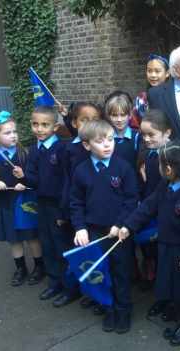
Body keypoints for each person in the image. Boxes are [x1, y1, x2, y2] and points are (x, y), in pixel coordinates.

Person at [117, 145, 180, 346]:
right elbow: (148, 207)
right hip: (166, 245)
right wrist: (129, 226)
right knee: (170, 282)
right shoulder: (164, 186)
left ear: (168, 170)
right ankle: (174, 310)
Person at [70, 120, 138, 334]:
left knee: (121, 271)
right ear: (87, 145)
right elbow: (76, 202)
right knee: (102, 272)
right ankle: (108, 308)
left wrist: (120, 224)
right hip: (94, 231)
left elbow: (131, 199)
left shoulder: (123, 167)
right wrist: (80, 227)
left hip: (119, 233)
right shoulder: (81, 171)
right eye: (100, 142)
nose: (107, 145)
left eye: (110, 140)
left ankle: (123, 309)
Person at [13, 106, 77, 307]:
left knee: (62, 247)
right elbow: (34, 180)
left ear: (55, 126)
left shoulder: (63, 149)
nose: (39, 129)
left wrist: (63, 211)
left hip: (58, 206)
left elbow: (68, 182)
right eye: (35, 124)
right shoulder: (34, 149)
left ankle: (70, 288)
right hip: (42, 204)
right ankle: (54, 282)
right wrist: (23, 177)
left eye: (44, 125)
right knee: (47, 245)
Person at [0, 111, 43, 286]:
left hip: (25, 201)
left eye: (14, 131)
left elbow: (33, 176)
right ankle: (21, 268)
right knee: (13, 239)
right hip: (6, 203)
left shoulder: (25, 153)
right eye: (7, 133)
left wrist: (24, 181)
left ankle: (39, 266)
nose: (13, 135)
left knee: (32, 236)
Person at [60, 102, 103, 312]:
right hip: (77, 211)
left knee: (95, 254)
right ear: (75, 123)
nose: (89, 124)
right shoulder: (70, 149)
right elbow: (67, 183)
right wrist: (64, 210)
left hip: (96, 210)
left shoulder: (101, 147)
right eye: (84, 120)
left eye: (93, 120)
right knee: (78, 251)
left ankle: (93, 293)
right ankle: (75, 289)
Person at [136, 109, 172, 294]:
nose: (147, 139)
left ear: (167, 133)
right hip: (150, 208)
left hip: (164, 213)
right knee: (150, 250)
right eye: (144, 135)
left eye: (151, 135)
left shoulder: (170, 158)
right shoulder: (149, 154)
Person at [104, 91, 141, 171]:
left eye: (123, 115)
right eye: (114, 115)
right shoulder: (104, 137)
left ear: (130, 115)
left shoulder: (137, 137)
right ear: (108, 116)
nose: (119, 120)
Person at [132, 54, 170, 128]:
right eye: (149, 71)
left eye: (157, 71)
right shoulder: (142, 98)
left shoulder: (173, 96)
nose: (153, 75)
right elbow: (135, 123)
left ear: (167, 73)